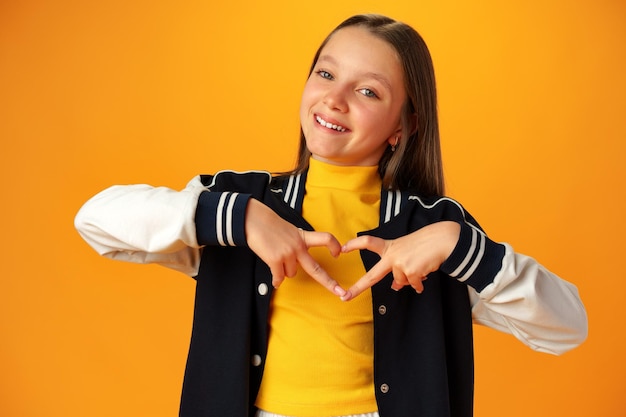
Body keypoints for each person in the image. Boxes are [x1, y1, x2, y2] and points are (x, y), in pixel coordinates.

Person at [74, 14, 587, 417]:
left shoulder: (428, 229)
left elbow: (567, 327)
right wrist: (244, 218)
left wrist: (457, 243)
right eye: (325, 73)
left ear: (403, 126)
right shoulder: (239, 204)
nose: (334, 98)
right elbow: (96, 220)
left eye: (368, 91)